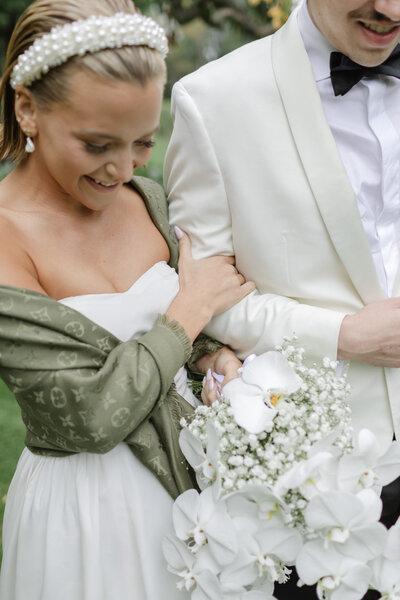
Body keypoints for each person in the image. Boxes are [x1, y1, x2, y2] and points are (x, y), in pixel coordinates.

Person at [0, 1, 255, 599]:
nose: (122, 168)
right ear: (27, 108)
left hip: (192, 501)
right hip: (86, 517)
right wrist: (189, 313)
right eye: (96, 145)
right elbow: (89, 415)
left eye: (143, 141)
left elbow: (182, 330)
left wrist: (212, 355)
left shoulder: (148, 199)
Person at [165, 0, 400, 597]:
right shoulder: (215, 100)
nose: (389, 9)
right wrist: (345, 337)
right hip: (309, 487)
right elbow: (206, 297)